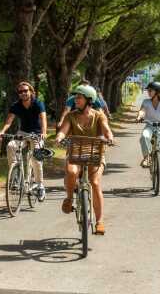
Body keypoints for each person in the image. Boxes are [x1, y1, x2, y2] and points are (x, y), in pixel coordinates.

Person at [55, 85, 114, 235]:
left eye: (79, 97)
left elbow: (106, 129)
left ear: (89, 100)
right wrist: (59, 137)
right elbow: (63, 130)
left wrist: (109, 137)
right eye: (75, 97)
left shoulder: (99, 115)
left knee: (94, 183)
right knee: (71, 171)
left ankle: (99, 221)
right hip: (75, 153)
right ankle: (69, 198)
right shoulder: (71, 116)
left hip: (95, 154)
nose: (76, 100)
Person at [0, 81, 48, 201]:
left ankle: (40, 185)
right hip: (23, 133)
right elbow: (9, 121)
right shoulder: (16, 105)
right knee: (11, 146)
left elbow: (43, 118)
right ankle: (14, 176)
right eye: (21, 92)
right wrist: (2, 131)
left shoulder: (38, 103)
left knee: (36, 157)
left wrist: (44, 132)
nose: (23, 93)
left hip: (36, 134)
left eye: (26, 90)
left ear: (31, 91)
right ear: (18, 94)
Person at [135, 81, 160, 181]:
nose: (148, 92)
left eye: (150, 90)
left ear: (157, 92)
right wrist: (139, 116)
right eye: (148, 90)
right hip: (149, 126)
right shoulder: (146, 102)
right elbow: (142, 110)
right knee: (144, 137)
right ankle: (147, 158)